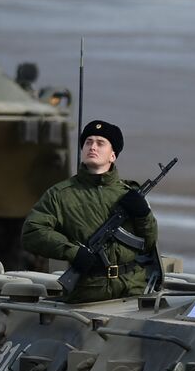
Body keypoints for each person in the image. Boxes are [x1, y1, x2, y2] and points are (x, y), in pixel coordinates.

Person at [22, 120, 159, 303]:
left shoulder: (130, 195)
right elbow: (32, 233)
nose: (92, 147)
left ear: (112, 155)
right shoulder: (61, 194)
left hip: (132, 290)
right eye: (88, 142)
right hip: (88, 293)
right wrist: (73, 252)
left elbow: (149, 243)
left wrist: (143, 215)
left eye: (100, 143)